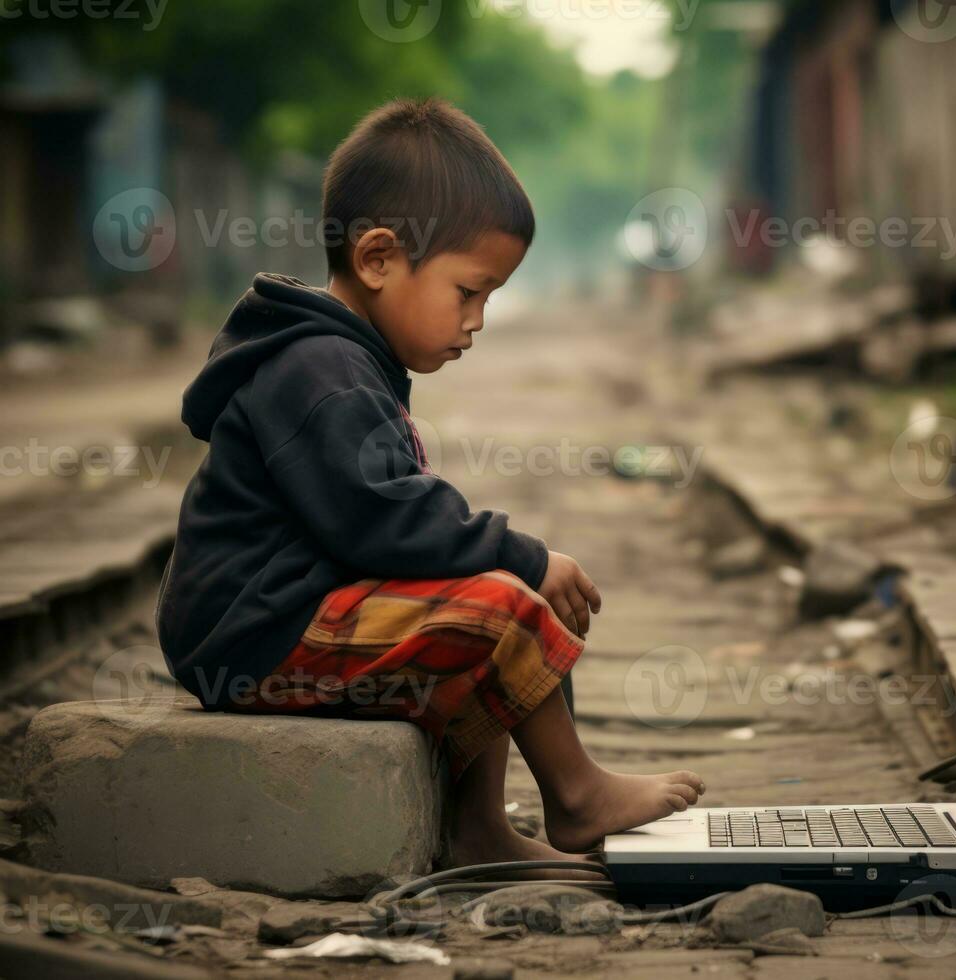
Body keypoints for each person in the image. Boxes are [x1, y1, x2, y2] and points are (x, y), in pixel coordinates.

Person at [156, 98, 704, 867]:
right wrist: (525, 558)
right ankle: (576, 795)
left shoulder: (344, 359)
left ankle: (477, 830)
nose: (477, 320)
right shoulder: (320, 372)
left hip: (286, 617)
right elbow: (381, 520)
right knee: (499, 605)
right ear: (379, 259)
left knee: (471, 598)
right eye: (468, 292)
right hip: (255, 634)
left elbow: (386, 523)